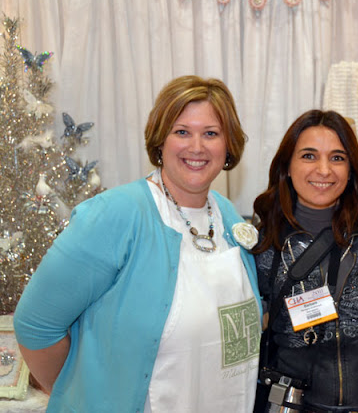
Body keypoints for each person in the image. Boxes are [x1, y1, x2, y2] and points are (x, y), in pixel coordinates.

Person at [13, 75, 262, 412]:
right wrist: (84, 395)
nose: (197, 147)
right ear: (160, 141)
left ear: (228, 144)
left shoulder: (226, 214)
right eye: (182, 132)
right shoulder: (115, 214)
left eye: (211, 133)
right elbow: (36, 325)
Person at [252, 110, 358, 412]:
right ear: (287, 166)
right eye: (309, 156)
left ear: (351, 168)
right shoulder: (264, 240)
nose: (324, 170)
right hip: (294, 404)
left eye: (337, 158)